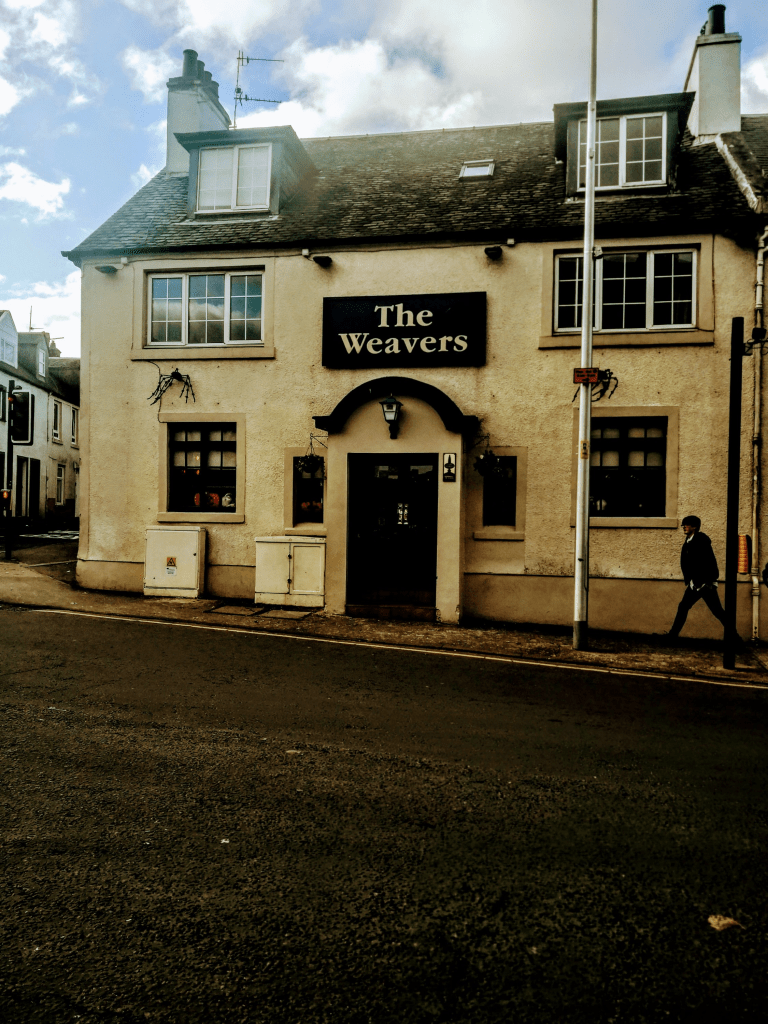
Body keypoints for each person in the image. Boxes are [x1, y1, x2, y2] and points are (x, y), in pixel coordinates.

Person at [661, 515, 727, 640]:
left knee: (718, 611)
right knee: (683, 607)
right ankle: (672, 636)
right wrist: (690, 580)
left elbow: (709, 562)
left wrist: (708, 581)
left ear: (695, 527)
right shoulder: (688, 542)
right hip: (694, 584)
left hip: (705, 584)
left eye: (687, 525)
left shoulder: (701, 541)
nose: (684, 527)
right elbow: (687, 564)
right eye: (684, 525)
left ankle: (736, 639)